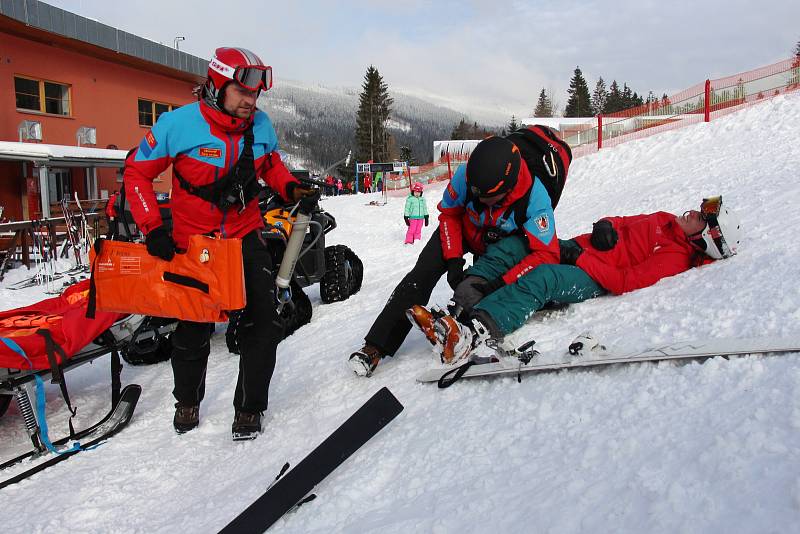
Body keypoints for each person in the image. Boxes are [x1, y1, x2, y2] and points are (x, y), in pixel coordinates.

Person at [124, 46, 318, 440]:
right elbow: (136, 173)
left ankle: (249, 408)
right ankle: (187, 400)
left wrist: (291, 187)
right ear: (217, 84)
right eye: (243, 92)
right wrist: (152, 228)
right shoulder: (177, 125)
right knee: (194, 329)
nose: (251, 101)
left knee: (265, 322)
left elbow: (269, 165)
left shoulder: (260, 126)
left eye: (256, 94)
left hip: (244, 236)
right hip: (194, 243)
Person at [409, 196, 742, 363]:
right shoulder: (664, 219)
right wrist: (606, 225)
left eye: (702, 217)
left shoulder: (675, 256)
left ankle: (473, 333)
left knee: (544, 277)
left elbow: (625, 281)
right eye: (699, 208)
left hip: (589, 275)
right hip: (579, 248)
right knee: (523, 243)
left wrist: (581, 258)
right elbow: (622, 221)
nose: (693, 212)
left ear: (707, 237)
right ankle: (462, 304)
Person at [348, 134, 566, 376]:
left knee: (479, 288)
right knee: (421, 274)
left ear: (507, 188)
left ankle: (456, 329)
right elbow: (450, 215)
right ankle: (376, 346)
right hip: (463, 230)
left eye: (487, 196)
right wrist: (453, 259)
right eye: (476, 193)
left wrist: (502, 281)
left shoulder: (536, 199)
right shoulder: (466, 175)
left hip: (502, 244)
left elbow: (546, 253)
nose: (479, 199)